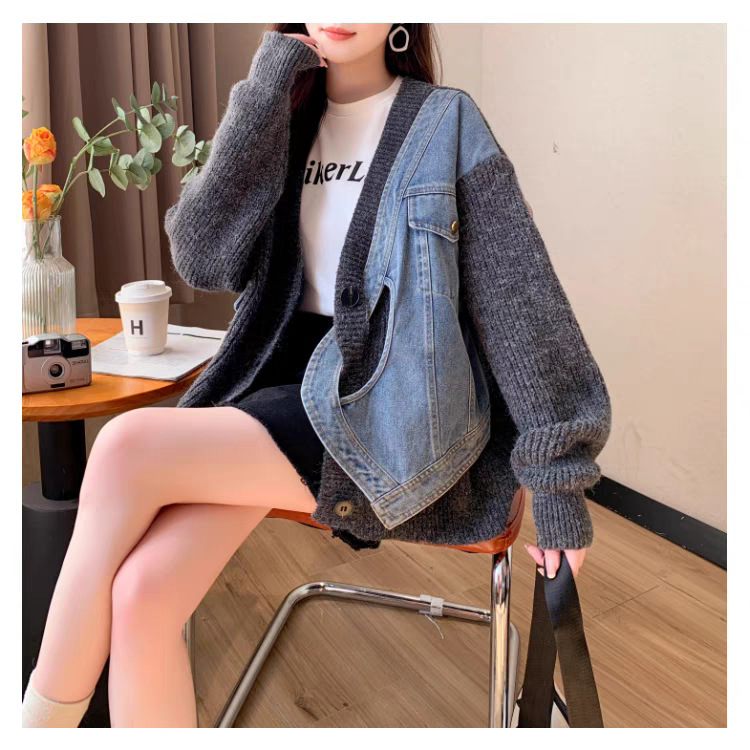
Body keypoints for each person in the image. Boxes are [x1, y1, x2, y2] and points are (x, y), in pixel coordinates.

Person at [22, 23, 611, 728]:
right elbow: (202, 259)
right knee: (143, 593)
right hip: (276, 395)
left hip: (384, 406)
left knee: (122, 448)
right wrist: (269, 82)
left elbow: (520, 302)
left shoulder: (445, 122)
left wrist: (558, 484)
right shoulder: (282, 114)